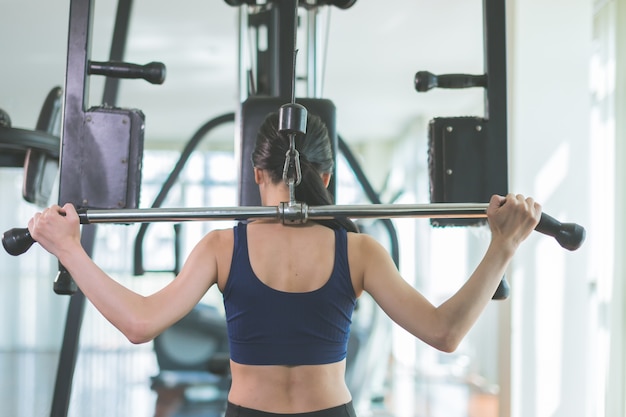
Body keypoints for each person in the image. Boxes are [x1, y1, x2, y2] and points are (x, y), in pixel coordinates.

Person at [27, 112, 541, 417]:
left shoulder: (221, 247)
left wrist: (70, 249)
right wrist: (502, 248)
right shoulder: (359, 250)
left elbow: (140, 324)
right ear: (327, 176)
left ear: (257, 175)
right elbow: (447, 333)